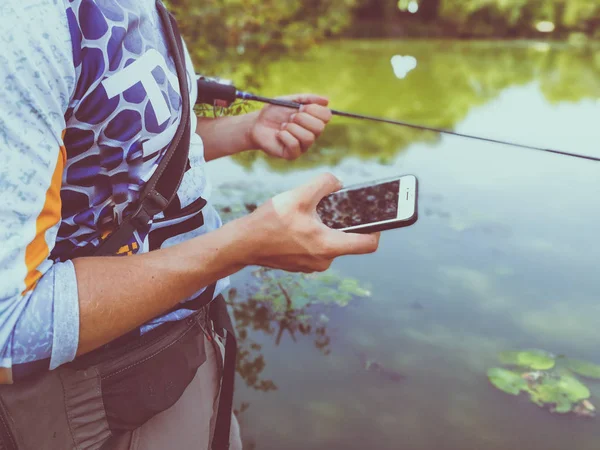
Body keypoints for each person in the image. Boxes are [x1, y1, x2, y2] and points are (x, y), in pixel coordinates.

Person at [0, 0, 380, 449]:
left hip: (188, 349)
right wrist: (239, 247)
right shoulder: (25, 25)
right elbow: (10, 330)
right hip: (101, 392)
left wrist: (248, 129)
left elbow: (131, 155)